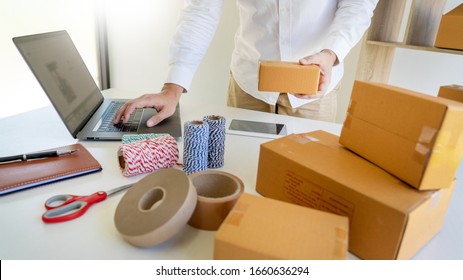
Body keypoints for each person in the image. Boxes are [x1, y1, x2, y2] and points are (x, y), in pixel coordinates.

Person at [114, 0, 378, 126]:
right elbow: (201, 10)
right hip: (248, 85)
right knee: (243, 174)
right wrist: (172, 88)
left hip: (316, 88)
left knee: (305, 185)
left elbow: (358, 5)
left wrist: (331, 54)